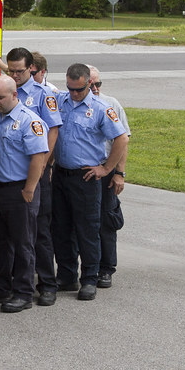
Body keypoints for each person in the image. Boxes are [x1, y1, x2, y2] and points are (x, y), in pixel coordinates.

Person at [0, 47, 62, 306]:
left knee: (29, 239)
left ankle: (32, 290)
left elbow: (44, 145)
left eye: (0, 97)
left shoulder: (35, 109)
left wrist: (32, 184)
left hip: (25, 184)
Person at [52, 63, 128, 300]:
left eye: (79, 89)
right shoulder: (60, 102)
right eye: (70, 88)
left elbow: (121, 138)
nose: (74, 93)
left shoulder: (101, 108)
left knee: (87, 230)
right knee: (61, 228)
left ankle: (89, 279)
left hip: (85, 177)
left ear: (89, 84)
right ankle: (66, 276)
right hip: (61, 174)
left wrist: (107, 169)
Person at [88, 66, 130, 289]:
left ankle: (106, 269)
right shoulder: (72, 103)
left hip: (107, 170)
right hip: (84, 172)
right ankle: (88, 267)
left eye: (98, 84)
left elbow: (123, 141)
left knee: (107, 220)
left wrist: (119, 174)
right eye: (91, 85)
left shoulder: (111, 104)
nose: (95, 89)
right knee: (83, 222)